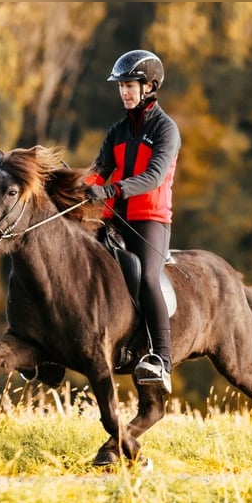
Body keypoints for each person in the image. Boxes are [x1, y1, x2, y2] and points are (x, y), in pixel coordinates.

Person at [84, 49, 181, 395]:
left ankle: (162, 361)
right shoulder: (118, 131)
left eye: (130, 85)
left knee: (148, 277)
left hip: (150, 221)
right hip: (115, 218)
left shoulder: (166, 130)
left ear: (150, 87)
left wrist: (113, 188)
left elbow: (152, 177)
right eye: (121, 85)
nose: (124, 92)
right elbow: (98, 172)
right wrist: (79, 188)